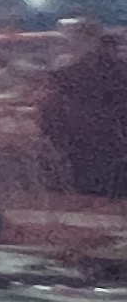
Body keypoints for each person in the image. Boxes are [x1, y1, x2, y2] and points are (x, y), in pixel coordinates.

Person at [36, 19, 127, 200]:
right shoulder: (115, 71)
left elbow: (51, 117)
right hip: (105, 149)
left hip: (87, 150)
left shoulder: (68, 78)